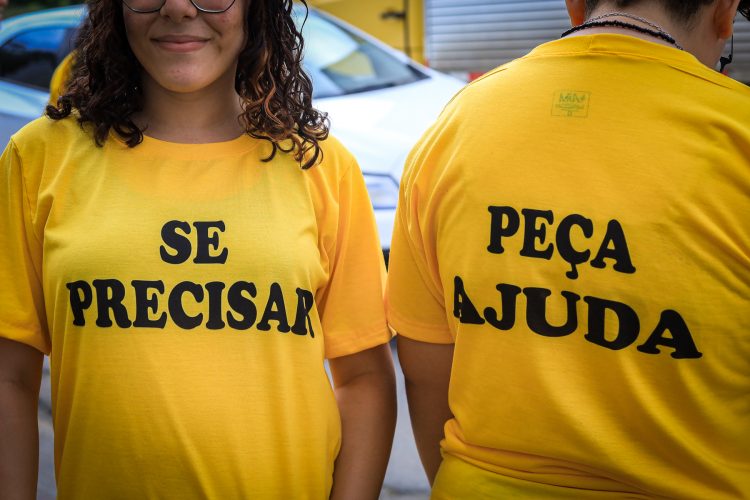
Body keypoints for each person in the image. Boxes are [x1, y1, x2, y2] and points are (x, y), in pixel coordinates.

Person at [0, 0, 396, 498]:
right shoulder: (39, 157)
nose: (180, 8)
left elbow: (363, 379)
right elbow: (9, 377)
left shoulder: (321, 166)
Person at [386, 0, 750, 498]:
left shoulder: (457, 125)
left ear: (575, 4)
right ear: (725, 13)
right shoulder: (738, 135)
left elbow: (425, 376)